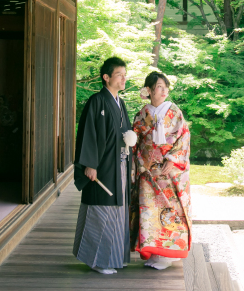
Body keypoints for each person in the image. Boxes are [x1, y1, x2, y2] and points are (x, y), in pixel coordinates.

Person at [72, 57, 133, 274]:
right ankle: (97, 260)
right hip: (102, 166)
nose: (124, 78)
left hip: (120, 166)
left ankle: (114, 257)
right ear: (106, 77)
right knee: (101, 209)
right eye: (119, 74)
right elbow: (88, 133)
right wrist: (89, 164)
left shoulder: (120, 103)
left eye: (125, 74)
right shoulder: (96, 101)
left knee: (117, 210)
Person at [130, 71, 191, 270]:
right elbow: (136, 141)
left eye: (166, 87)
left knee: (168, 210)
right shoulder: (142, 113)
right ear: (148, 90)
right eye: (159, 87)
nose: (164, 91)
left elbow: (183, 137)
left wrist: (173, 160)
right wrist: (140, 164)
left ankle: (167, 255)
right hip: (148, 170)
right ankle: (154, 253)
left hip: (168, 171)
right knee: (149, 211)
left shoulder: (174, 111)